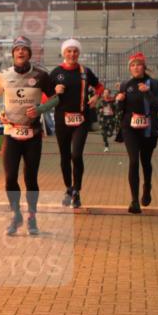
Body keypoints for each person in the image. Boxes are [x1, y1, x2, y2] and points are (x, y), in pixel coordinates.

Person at [0, 36, 60, 235]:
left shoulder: (41, 75)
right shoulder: (3, 75)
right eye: (17, 49)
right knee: (10, 177)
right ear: (13, 53)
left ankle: (32, 217)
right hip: (11, 133)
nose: (21, 52)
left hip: (33, 135)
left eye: (24, 49)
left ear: (29, 53)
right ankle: (16, 214)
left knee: (31, 178)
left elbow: (55, 99)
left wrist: (40, 109)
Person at [48, 39, 103, 208]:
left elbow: (99, 86)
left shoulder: (85, 72)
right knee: (65, 156)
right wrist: (54, 91)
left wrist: (95, 96)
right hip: (62, 120)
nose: (72, 54)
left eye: (75, 51)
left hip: (81, 119)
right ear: (64, 53)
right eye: (69, 51)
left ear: (78, 53)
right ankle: (68, 188)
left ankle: (77, 189)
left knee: (76, 155)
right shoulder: (56, 72)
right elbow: (45, 96)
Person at [116, 52, 158, 214]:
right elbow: (121, 110)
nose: (135, 67)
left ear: (144, 66)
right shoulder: (126, 84)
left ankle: (147, 187)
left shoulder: (154, 84)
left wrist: (147, 92)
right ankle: (134, 201)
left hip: (148, 130)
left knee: (145, 161)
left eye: (138, 64)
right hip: (130, 128)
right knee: (133, 161)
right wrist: (119, 101)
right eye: (132, 65)